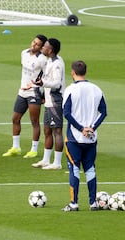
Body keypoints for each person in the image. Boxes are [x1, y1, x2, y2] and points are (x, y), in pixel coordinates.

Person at [61, 60, 107, 211]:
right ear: (86, 72)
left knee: (74, 169)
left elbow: (66, 113)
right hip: (91, 138)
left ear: (73, 72)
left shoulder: (70, 90)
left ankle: (74, 203)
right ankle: (93, 203)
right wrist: (92, 128)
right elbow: (103, 112)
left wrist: (81, 128)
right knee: (90, 169)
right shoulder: (96, 89)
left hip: (74, 138)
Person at [2, 35, 47, 158]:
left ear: (42, 47)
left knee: (34, 122)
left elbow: (46, 77)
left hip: (34, 92)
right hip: (22, 92)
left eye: (37, 44)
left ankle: (34, 150)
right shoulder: (24, 53)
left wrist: (43, 95)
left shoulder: (43, 60)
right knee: (15, 118)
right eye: (33, 42)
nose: (33, 45)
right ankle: (16, 147)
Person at [31, 38, 65, 170]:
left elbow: (57, 83)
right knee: (47, 130)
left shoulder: (57, 64)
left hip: (55, 100)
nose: (42, 48)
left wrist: (43, 83)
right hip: (49, 99)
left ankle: (57, 163)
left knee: (57, 130)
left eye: (44, 46)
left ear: (50, 50)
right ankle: (46, 159)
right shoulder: (51, 60)